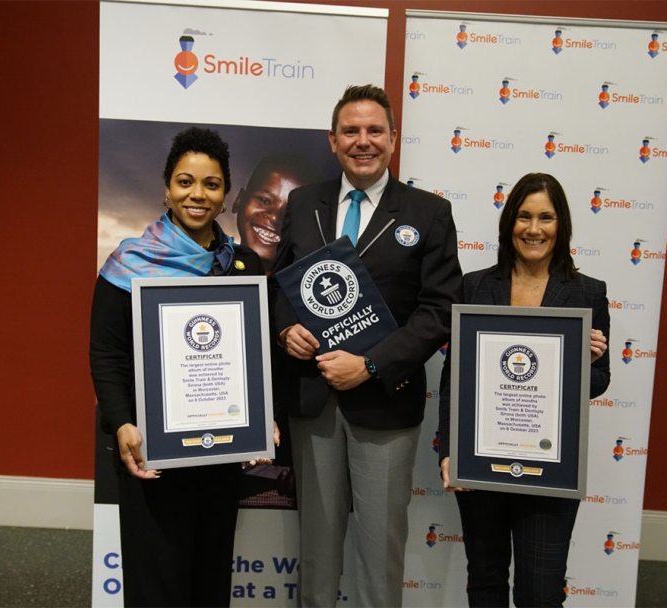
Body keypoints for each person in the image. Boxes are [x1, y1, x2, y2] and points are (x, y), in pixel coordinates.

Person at [272, 84, 462, 606]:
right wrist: (287, 328)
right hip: (313, 401)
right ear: (332, 141)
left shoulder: (428, 213)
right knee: (316, 552)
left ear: (393, 139)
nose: (363, 141)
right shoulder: (303, 202)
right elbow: (279, 284)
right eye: (351, 131)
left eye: (374, 130)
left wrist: (371, 364)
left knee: (380, 555)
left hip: (385, 402)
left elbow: (440, 309)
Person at [90, 126, 277, 607]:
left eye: (211, 184)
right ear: (167, 188)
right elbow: (106, 355)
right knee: (157, 582)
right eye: (185, 181)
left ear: (225, 194)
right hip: (151, 448)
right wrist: (123, 423)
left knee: (210, 578)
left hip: (218, 452)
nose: (197, 194)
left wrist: (261, 416)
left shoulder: (243, 266)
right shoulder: (129, 263)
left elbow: (252, 353)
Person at [437, 172, 610, 607]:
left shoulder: (588, 292)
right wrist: (448, 450)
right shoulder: (475, 286)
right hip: (481, 464)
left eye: (546, 217)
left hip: (550, 470)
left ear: (562, 225)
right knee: (486, 583)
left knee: (540, 593)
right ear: (509, 223)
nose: (534, 229)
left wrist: (584, 363)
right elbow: (452, 378)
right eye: (524, 216)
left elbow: (599, 381)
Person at [232, 153, 321, 273]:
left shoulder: (308, 287)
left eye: (290, 210)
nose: (274, 217)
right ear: (239, 200)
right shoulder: (210, 271)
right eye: (265, 200)